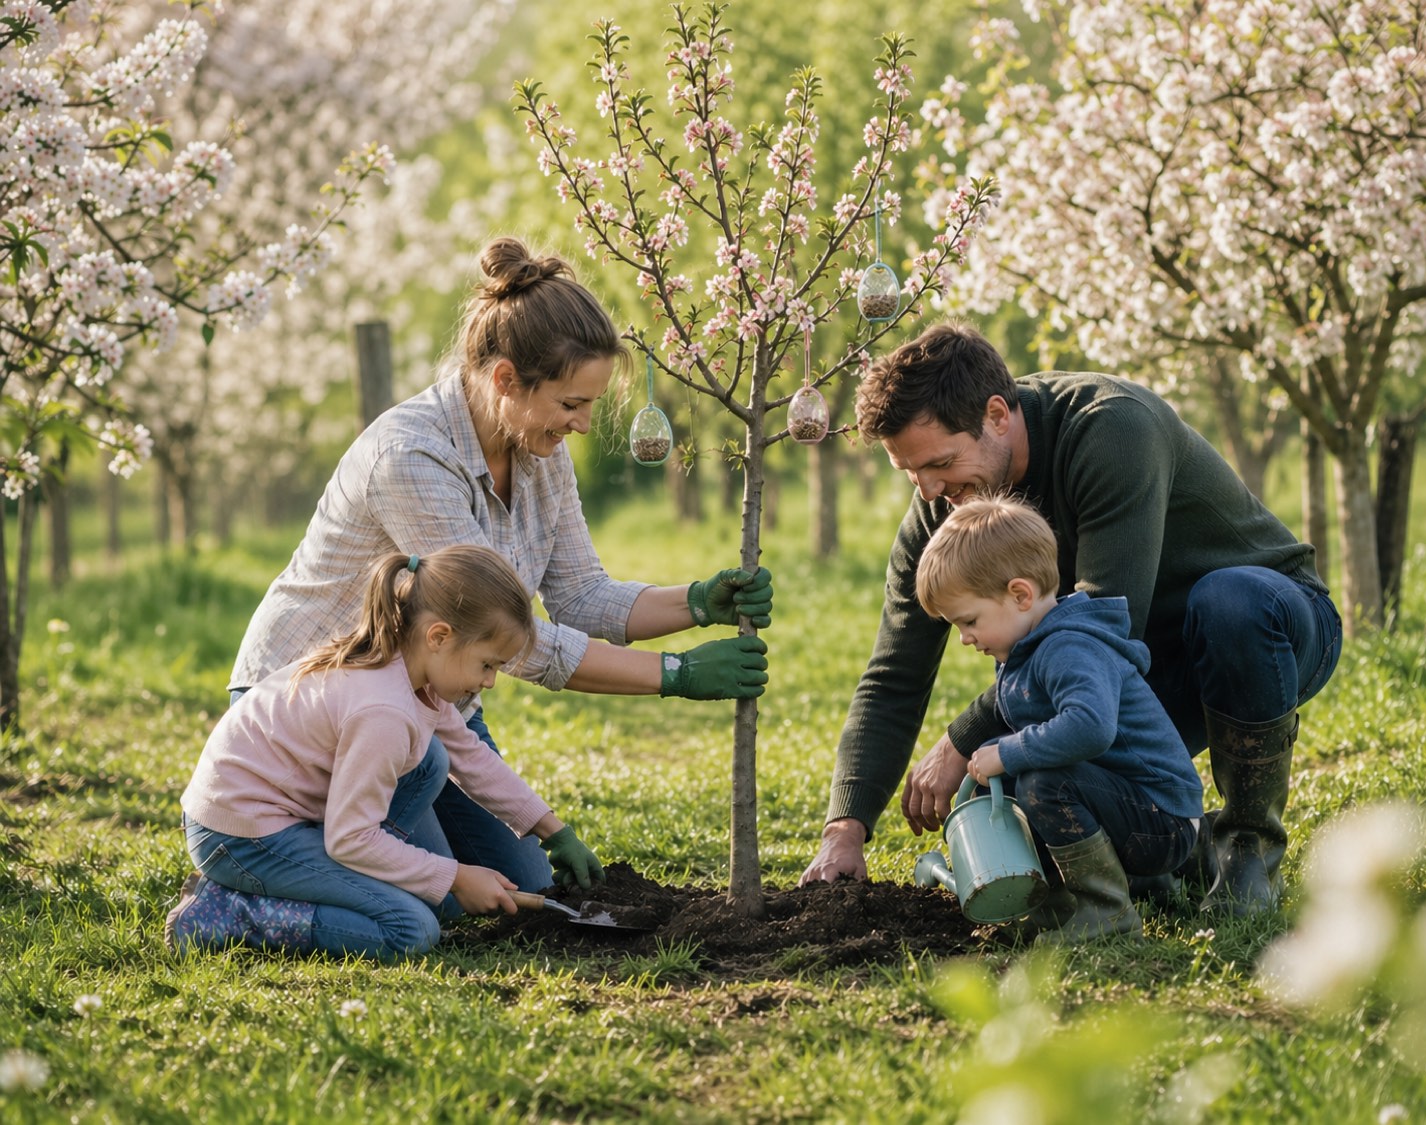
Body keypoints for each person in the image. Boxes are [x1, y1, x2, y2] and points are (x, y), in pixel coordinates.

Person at [212, 235, 771, 903]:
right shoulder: (411, 458)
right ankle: (245, 879)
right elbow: (513, 641)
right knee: (443, 894)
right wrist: (674, 675)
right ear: (506, 379)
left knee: (521, 882)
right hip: (321, 707)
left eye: (589, 405)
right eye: (571, 403)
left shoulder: (541, 453)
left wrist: (698, 601)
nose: (584, 424)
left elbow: (580, 593)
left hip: (432, 698)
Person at [800, 321, 1343, 916]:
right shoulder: (946, 502)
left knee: (1227, 601)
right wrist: (844, 829)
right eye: (912, 474)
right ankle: (1175, 857)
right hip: (1133, 668)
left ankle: (1246, 852)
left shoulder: (1111, 429)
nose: (929, 491)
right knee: (1032, 768)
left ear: (998, 415)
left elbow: (1101, 632)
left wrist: (964, 737)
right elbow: (895, 668)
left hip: (1268, 632)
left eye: (941, 463)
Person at [167, 545, 606, 959]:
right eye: (487, 664)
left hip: (282, 819)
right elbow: (350, 838)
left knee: (433, 759)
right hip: (239, 836)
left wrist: (554, 831)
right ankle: (226, 914)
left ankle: (374, 878)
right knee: (410, 928)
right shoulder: (383, 711)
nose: (490, 681)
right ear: (439, 636)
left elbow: (471, 758)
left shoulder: (410, 670)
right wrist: (452, 876)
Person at [914, 497, 1203, 940]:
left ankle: (1107, 913)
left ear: (1020, 594)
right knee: (1014, 787)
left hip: (1161, 821)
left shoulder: (1070, 648)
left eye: (969, 621)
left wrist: (1008, 752)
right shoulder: (1026, 649)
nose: (964, 638)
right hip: (1121, 808)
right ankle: (1055, 904)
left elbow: (1091, 727)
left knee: (1042, 783)